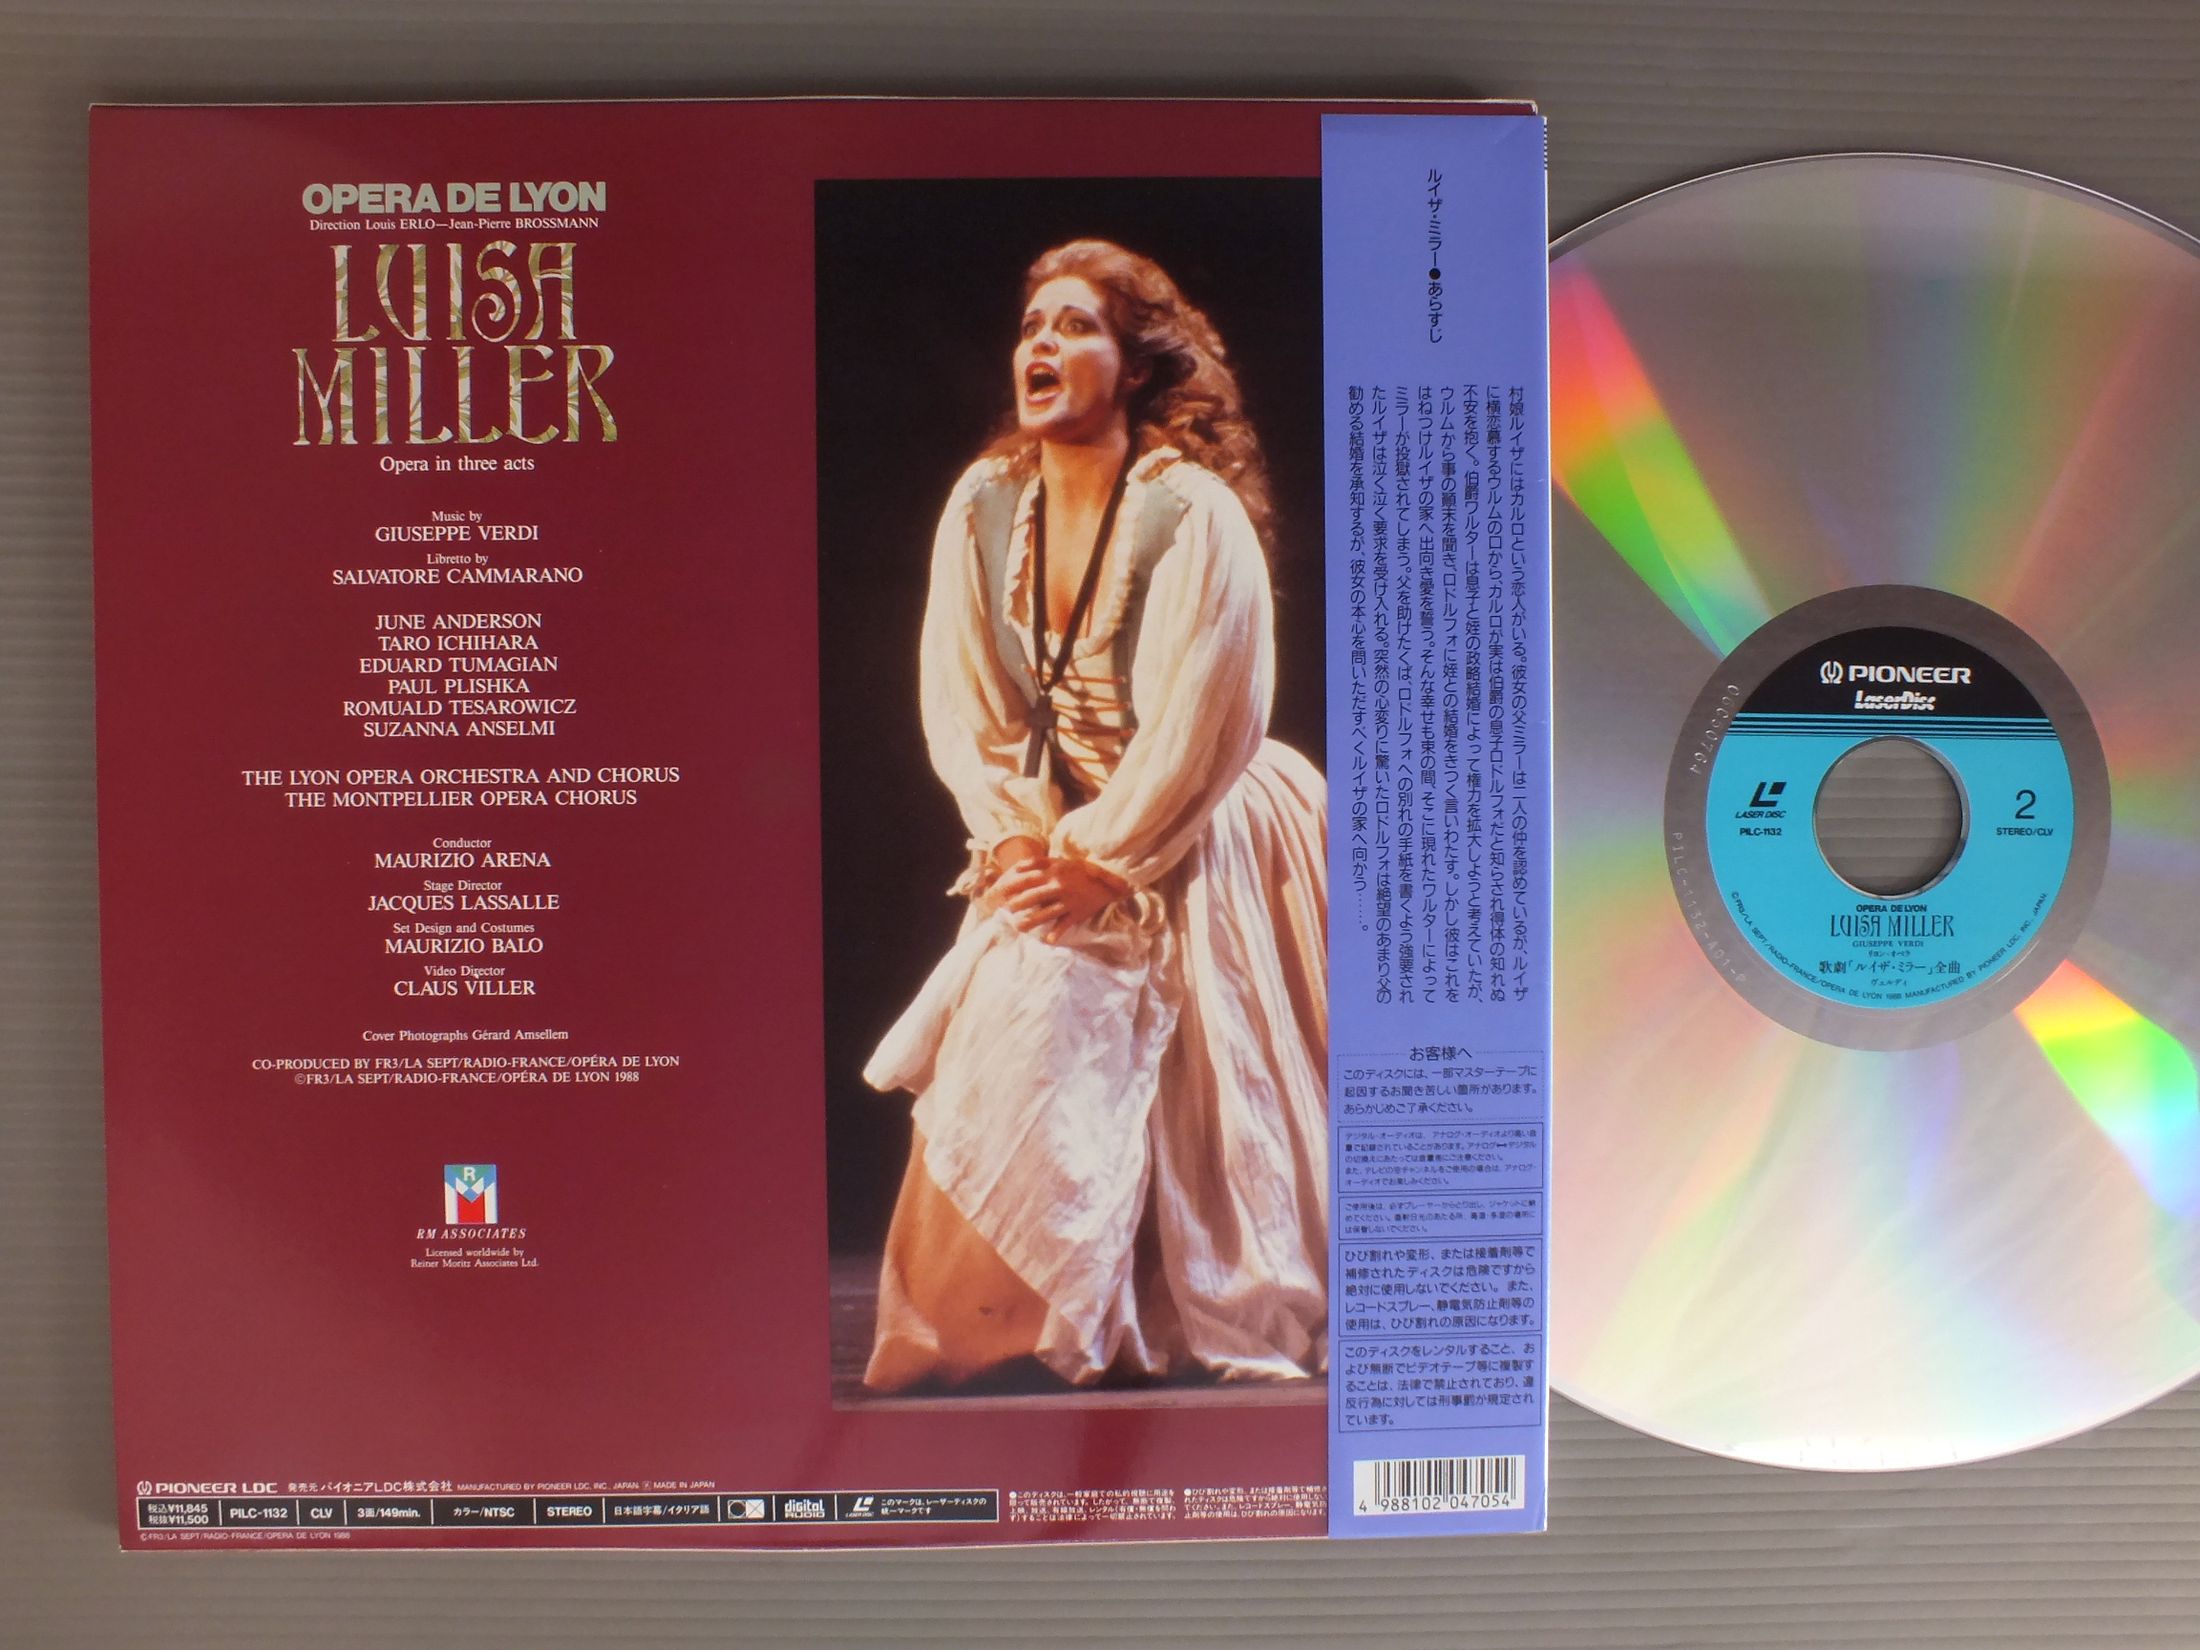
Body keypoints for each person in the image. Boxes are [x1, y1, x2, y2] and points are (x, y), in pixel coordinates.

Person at [861, 238, 1328, 1392]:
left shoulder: (1191, 512)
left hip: (1204, 815)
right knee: (1022, 1002)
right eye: (1033, 326)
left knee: (1210, 1092)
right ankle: (1003, 1318)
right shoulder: (985, 505)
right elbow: (965, 699)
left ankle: (1143, 1305)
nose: (1044, 345)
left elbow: (1206, 718)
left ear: (1135, 368)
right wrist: (1019, 839)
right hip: (1063, 824)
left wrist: (1109, 860)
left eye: (1077, 327)